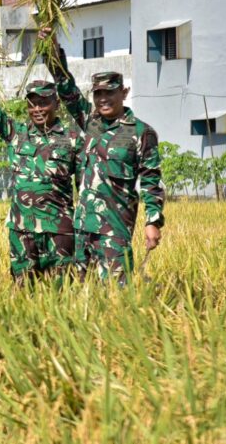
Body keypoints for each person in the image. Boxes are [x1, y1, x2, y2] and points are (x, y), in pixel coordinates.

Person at [44, 37, 165, 281]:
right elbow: (66, 89)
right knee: (81, 294)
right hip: (82, 227)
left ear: (124, 92)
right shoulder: (90, 122)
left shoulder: (141, 132)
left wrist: (153, 222)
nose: (103, 99)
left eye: (109, 93)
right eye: (98, 94)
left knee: (116, 293)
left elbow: (152, 181)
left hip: (114, 229)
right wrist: (51, 50)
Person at [0, 81, 85, 282]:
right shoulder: (16, 133)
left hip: (58, 231)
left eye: (43, 103)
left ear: (56, 103)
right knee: (22, 291)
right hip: (22, 232)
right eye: (32, 104)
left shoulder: (73, 139)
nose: (37, 109)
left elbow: (84, 190)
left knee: (62, 292)